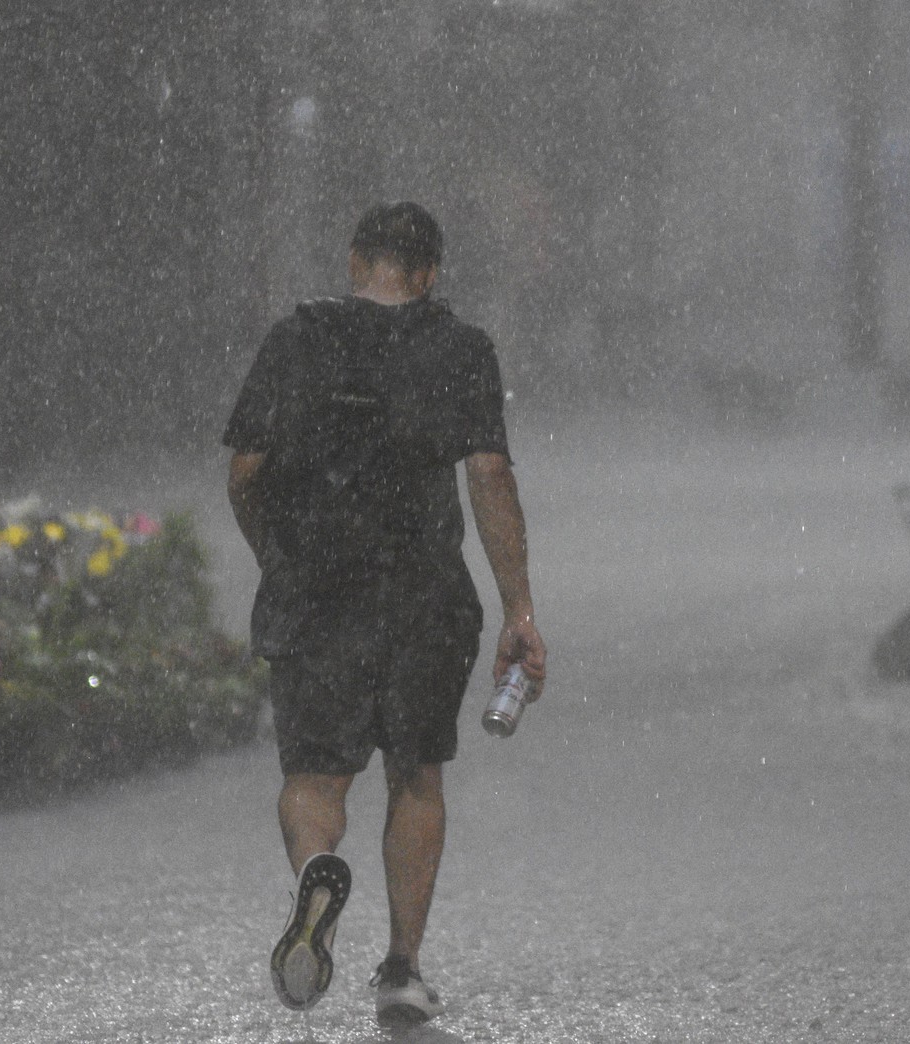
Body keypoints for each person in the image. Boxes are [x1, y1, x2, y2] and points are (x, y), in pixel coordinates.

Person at [222, 201, 546, 1027]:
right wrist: (519, 609)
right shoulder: (459, 348)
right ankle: (401, 968)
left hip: (317, 592)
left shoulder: (295, 340)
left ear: (354, 260)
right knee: (415, 775)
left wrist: (279, 557)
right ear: (429, 273)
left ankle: (317, 869)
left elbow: (245, 473)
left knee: (313, 778)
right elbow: (489, 478)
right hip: (422, 595)